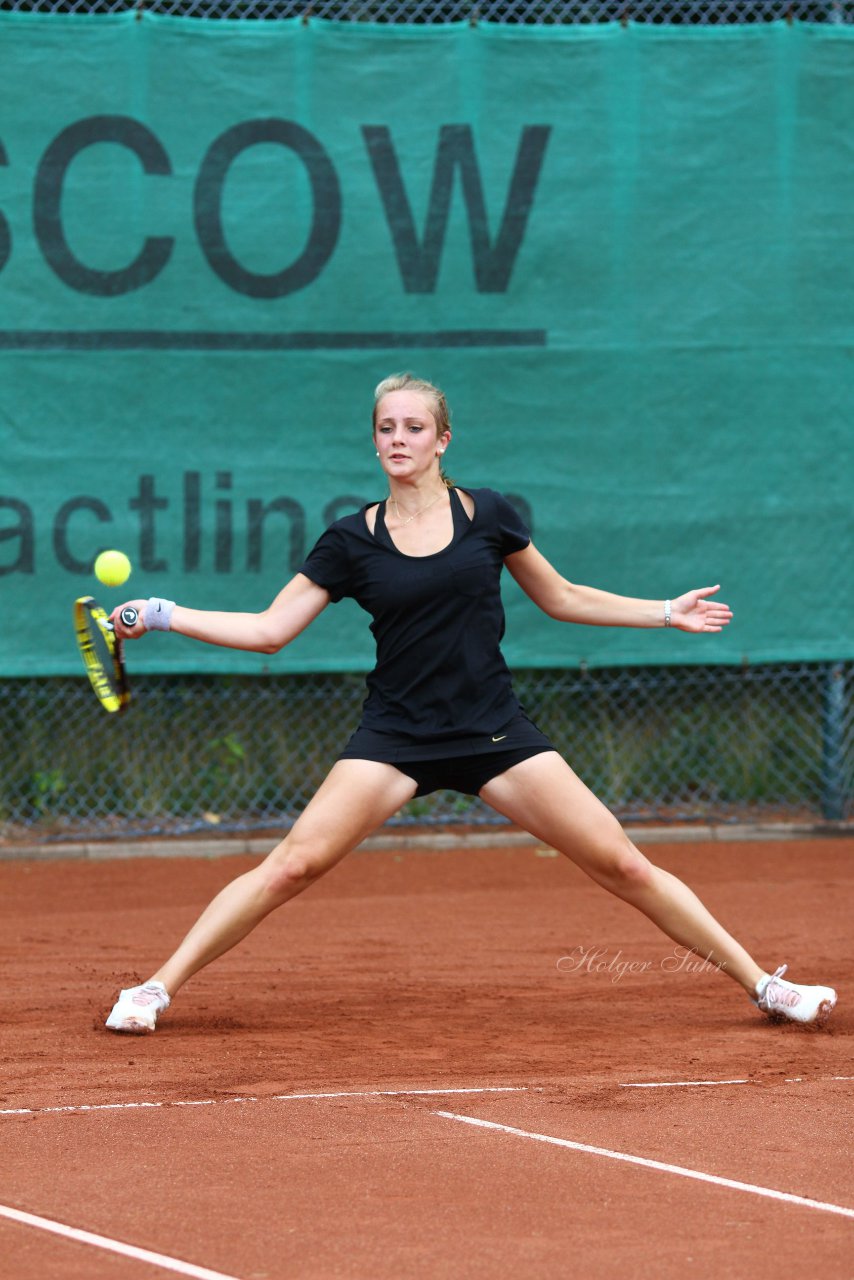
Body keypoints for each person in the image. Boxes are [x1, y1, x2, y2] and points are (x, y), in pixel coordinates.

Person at [105, 373, 837, 1034]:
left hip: (494, 731)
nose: (398, 439)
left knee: (624, 864)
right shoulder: (348, 541)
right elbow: (270, 631)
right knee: (290, 867)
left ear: (441, 440)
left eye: (413, 428)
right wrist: (165, 613)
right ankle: (154, 989)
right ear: (375, 440)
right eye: (386, 428)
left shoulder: (488, 514)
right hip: (394, 736)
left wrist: (665, 612)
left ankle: (764, 986)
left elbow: (563, 597)